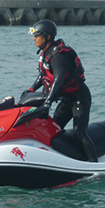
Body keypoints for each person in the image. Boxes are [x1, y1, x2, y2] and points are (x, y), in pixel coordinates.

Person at [19, 19, 98, 162]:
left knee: (79, 133)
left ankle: (95, 166)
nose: (34, 38)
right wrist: (30, 89)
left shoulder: (58, 56)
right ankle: (61, 159)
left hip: (79, 98)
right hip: (67, 99)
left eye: (37, 35)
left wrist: (47, 103)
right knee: (53, 129)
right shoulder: (45, 53)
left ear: (48, 37)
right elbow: (43, 75)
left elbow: (58, 80)